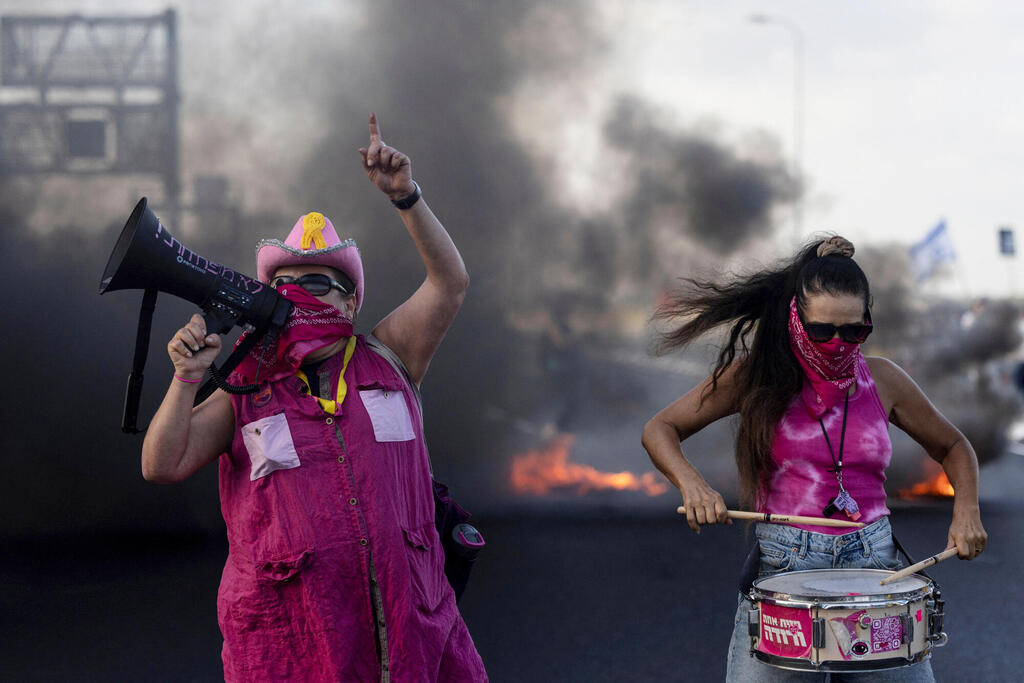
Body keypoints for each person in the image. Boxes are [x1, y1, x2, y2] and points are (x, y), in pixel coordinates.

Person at [141, 115, 487, 682]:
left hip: (411, 631)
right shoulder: (245, 387)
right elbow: (162, 464)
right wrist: (185, 378)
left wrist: (406, 197)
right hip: (292, 645)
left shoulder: (391, 356)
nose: (300, 293)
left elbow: (449, 283)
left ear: (351, 304)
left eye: (320, 283)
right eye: (286, 285)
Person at [641, 236, 987, 682]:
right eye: (822, 330)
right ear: (795, 319)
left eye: (854, 331)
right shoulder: (754, 376)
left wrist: (967, 511)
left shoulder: (884, 380)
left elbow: (954, 446)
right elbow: (660, 429)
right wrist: (693, 484)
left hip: (875, 567)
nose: (838, 344)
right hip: (785, 568)